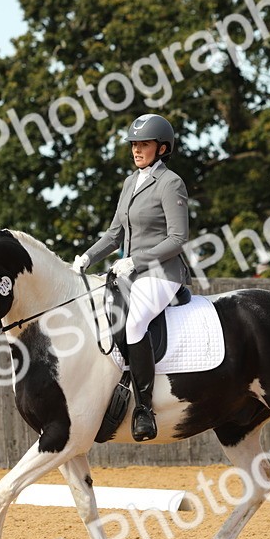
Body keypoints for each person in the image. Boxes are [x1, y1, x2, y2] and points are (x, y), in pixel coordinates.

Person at [73, 113, 190, 441]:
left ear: (162, 148)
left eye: (144, 144)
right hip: (131, 272)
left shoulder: (171, 183)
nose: (137, 150)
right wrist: (87, 257)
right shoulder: (130, 182)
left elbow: (177, 238)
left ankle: (144, 408)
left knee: (135, 321)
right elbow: (114, 234)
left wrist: (135, 261)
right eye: (134, 144)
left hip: (162, 274)